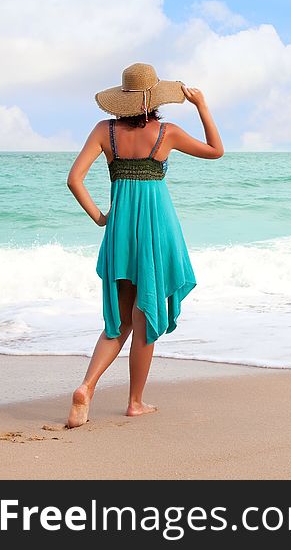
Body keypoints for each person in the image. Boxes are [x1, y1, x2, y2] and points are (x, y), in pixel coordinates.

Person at [65, 63, 224, 428]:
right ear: (155, 99)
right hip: (157, 229)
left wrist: (100, 217)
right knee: (146, 313)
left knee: (118, 322)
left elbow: (75, 179)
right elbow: (216, 150)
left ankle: (87, 387)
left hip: (120, 228)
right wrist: (201, 105)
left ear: (121, 101)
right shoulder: (167, 133)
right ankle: (135, 402)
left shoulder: (104, 131)